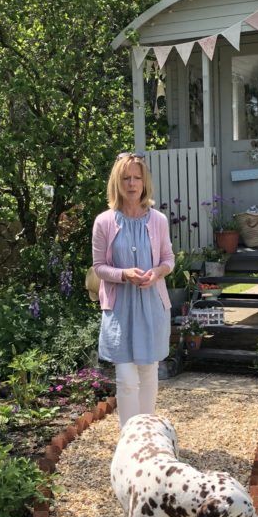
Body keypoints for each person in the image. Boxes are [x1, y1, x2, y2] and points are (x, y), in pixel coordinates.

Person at [92, 153, 174, 428]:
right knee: (127, 379)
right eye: (126, 178)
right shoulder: (104, 222)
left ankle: (147, 436)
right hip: (120, 309)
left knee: (149, 372)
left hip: (152, 305)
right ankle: (130, 439)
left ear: (144, 181)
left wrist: (157, 273)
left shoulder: (158, 220)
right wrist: (123, 274)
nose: (132, 183)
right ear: (117, 182)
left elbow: (168, 261)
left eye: (137, 177)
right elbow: (99, 267)